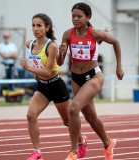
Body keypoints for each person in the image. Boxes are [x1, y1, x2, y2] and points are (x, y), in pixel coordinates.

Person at [57, 2, 124, 160]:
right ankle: (108, 143)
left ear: (88, 17)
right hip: (76, 78)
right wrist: (61, 54)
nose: (75, 19)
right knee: (91, 117)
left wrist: (119, 66)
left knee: (73, 109)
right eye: (73, 16)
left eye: (79, 16)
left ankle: (73, 151)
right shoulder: (68, 34)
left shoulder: (96, 33)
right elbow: (60, 63)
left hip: (93, 77)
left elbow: (116, 42)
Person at [20, 13, 86, 160]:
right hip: (42, 87)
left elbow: (48, 71)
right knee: (31, 116)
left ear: (47, 27)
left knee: (67, 121)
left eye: (39, 25)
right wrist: (33, 68)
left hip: (55, 85)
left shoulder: (52, 46)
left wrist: (28, 68)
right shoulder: (30, 44)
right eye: (33, 25)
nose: (35, 29)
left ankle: (81, 141)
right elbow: (35, 61)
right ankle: (37, 152)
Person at [0, 31, 18, 101]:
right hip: (3, 65)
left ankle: (12, 97)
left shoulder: (13, 45)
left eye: (7, 36)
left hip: (11, 66)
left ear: (9, 37)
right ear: (3, 37)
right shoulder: (0, 46)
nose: (6, 38)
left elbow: (15, 55)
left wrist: (7, 56)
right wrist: (11, 56)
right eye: (5, 36)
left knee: (11, 82)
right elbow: (3, 56)